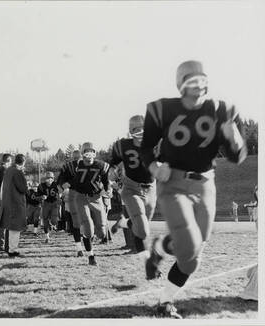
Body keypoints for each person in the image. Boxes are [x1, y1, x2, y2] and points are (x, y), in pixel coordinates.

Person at [140, 60, 247, 318]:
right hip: (174, 182)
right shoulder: (162, 109)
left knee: (194, 251)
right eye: (191, 83)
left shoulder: (223, 109)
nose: (198, 87)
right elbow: (145, 148)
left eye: (201, 81)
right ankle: (164, 301)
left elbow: (237, 156)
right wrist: (154, 167)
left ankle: (161, 262)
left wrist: (234, 138)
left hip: (205, 184)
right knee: (189, 250)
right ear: (181, 86)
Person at [109, 115, 157, 257]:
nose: (140, 131)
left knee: (142, 224)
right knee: (142, 229)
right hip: (131, 188)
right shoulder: (122, 145)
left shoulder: (156, 143)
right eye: (136, 129)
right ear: (130, 131)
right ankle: (145, 257)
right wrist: (111, 170)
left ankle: (124, 223)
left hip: (151, 189)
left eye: (143, 128)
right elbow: (113, 161)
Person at [73, 142, 111, 266]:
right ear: (82, 154)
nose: (88, 154)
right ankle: (91, 256)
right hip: (81, 198)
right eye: (86, 152)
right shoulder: (76, 165)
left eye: (91, 151)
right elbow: (67, 178)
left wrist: (108, 189)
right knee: (88, 227)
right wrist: (64, 185)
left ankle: (94, 236)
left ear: (94, 153)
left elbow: (106, 181)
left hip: (96, 197)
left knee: (102, 232)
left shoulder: (101, 165)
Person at [57, 149, 84, 256]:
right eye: (76, 158)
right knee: (78, 223)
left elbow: (60, 184)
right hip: (76, 197)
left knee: (78, 223)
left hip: (80, 197)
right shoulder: (68, 167)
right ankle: (79, 247)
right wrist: (63, 188)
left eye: (78, 158)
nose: (77, 160)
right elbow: (60, 183)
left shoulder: (87, 165)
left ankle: (80, 246)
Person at [1, 154, 28, 257]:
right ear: (23, 162)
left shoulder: (8, 170)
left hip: (8, 201)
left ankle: (10, 248)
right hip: (16, 202)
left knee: (10, 227)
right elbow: (23, 188)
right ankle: (13, 250)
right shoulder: (17, 172)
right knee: (16, 228)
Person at [0, 153, 12, 251]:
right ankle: (1, 245)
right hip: (2, 196)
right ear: (8, 161)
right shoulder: (4, 169)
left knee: (0, 222)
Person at [38, 171, 60, 243]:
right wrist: (42, 196)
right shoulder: (41, 186)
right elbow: (38, 195)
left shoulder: (56, 184)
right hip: (46, 203)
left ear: (53, 178)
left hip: (54, 203)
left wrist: (60, 194)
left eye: (51, 177)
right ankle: (47, 237)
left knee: (54, 220)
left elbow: (61, 191)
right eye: (48, 177)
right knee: (45, 220)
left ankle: (52, 224)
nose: (49, 179)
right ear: (45, 178)